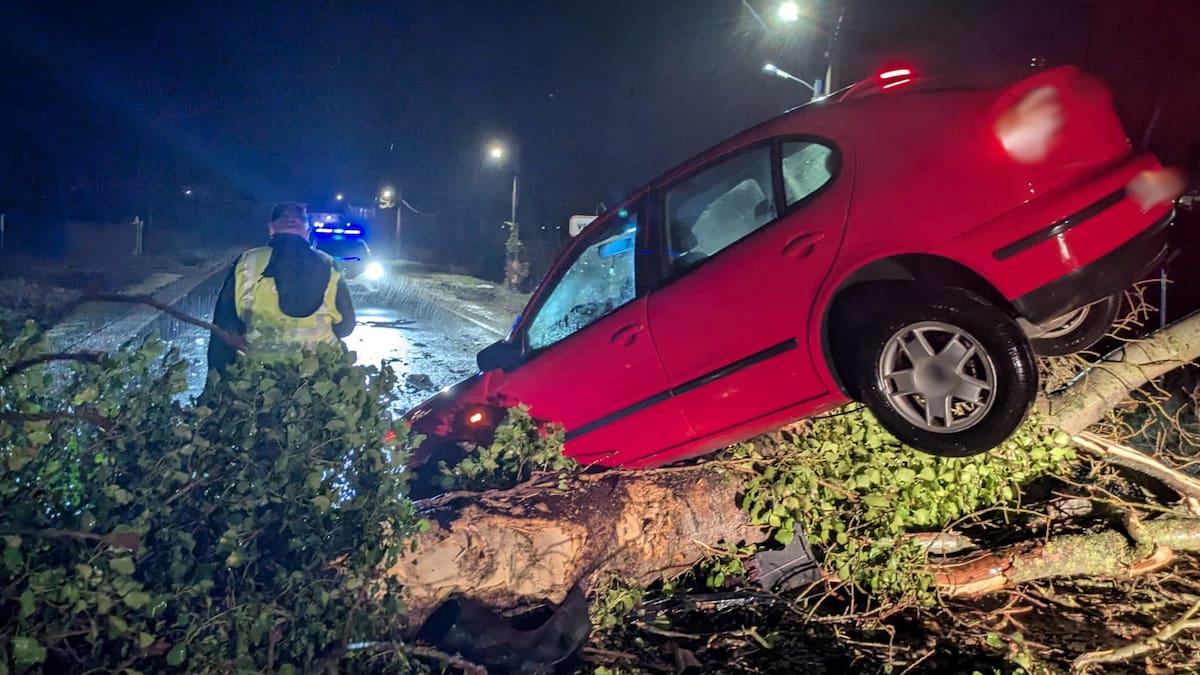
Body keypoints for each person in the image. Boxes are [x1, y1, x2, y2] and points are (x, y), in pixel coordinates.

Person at [206, 201, 356, 375]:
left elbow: (225, 326)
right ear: (306, 233)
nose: (291, 219)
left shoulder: (247, 262)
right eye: (287, 217)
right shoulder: (329, 264)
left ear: (272, 229)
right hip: (319, 375)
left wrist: (216, 385)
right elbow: (346, 326)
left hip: (256, 377)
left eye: (295, 217)